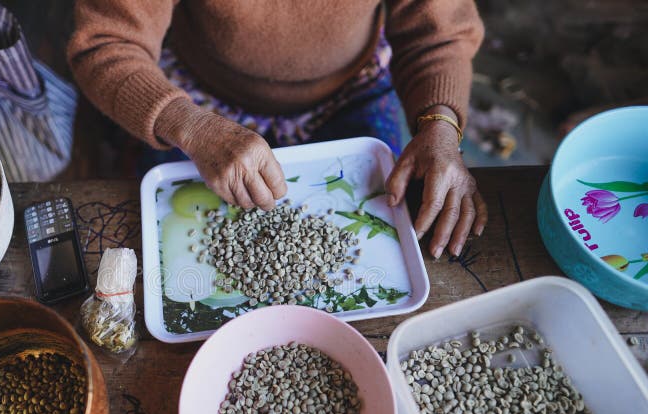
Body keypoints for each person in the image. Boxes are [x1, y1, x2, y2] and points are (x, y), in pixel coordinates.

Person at [68, 0, 488, 259]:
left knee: (392, 221)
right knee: (168, 233)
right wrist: (190, 126)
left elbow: (437, 36)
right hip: (197, 99)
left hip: (351, 89)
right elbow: (106, 43)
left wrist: (440, 124)